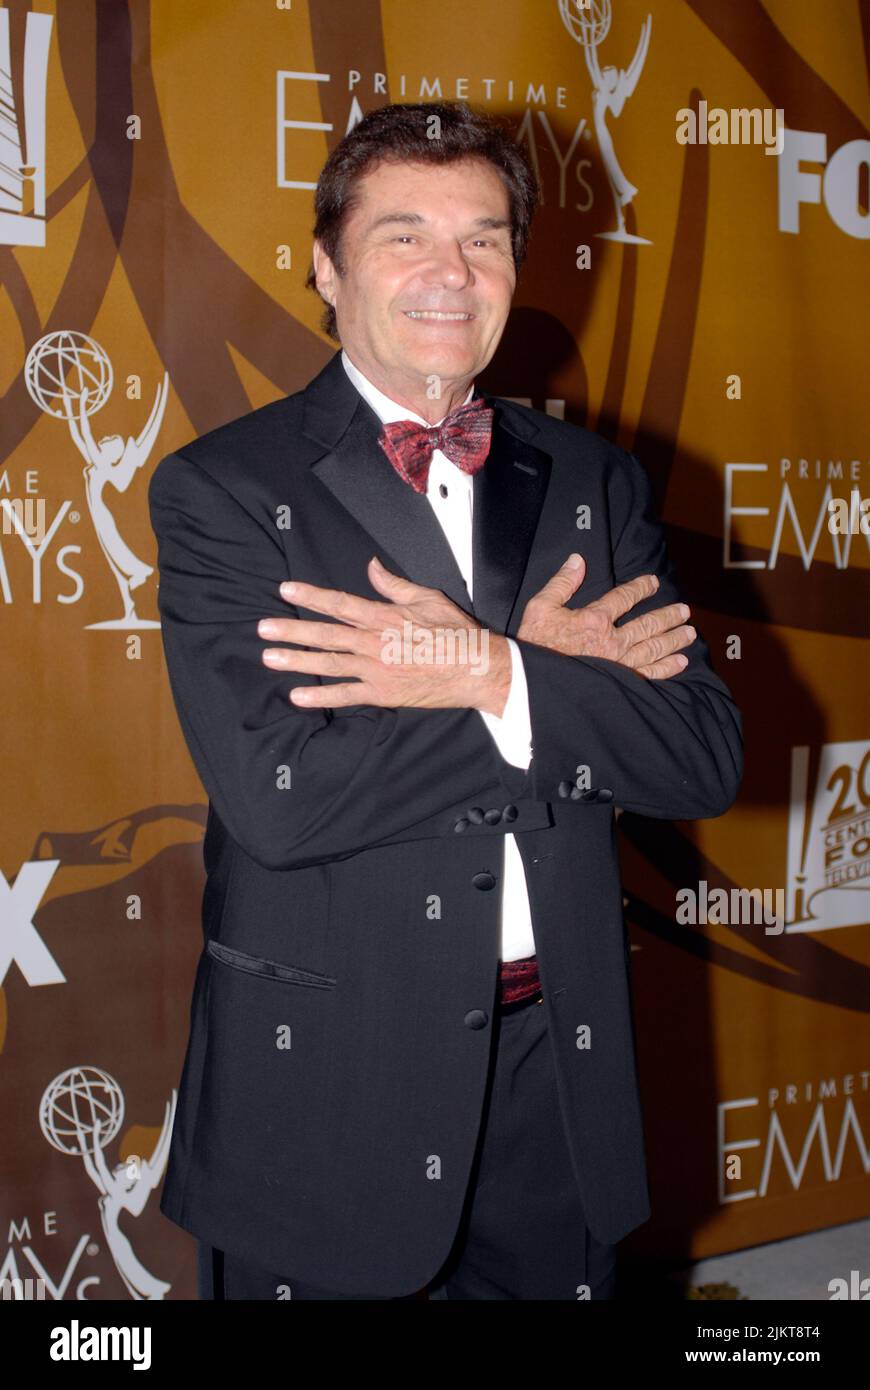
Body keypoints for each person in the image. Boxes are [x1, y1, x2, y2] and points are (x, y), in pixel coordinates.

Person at [148, 101, 743, 1301]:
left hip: (556, 1088)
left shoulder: (594, 480)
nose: (450, 273)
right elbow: (287, 799)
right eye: (404, 235)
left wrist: (490, 668)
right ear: (325, 264)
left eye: (485, 238)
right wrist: (555, 685)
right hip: (330, 1084)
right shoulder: (222, 489)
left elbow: (697, 759)